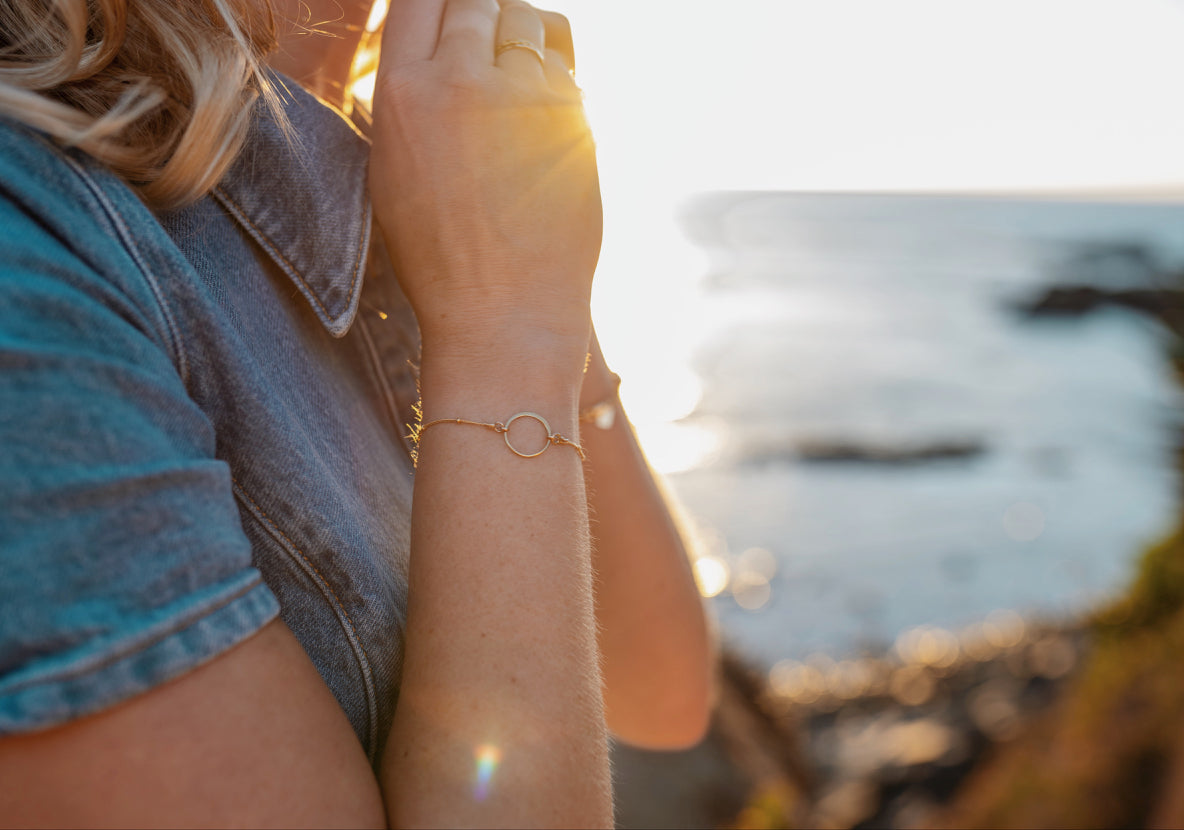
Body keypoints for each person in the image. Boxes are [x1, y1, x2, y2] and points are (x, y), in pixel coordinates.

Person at [0, 0, 713, 826]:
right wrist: (505, 332)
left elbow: (661, 688)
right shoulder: (35, 256)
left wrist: (534, 284)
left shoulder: (404, 157)